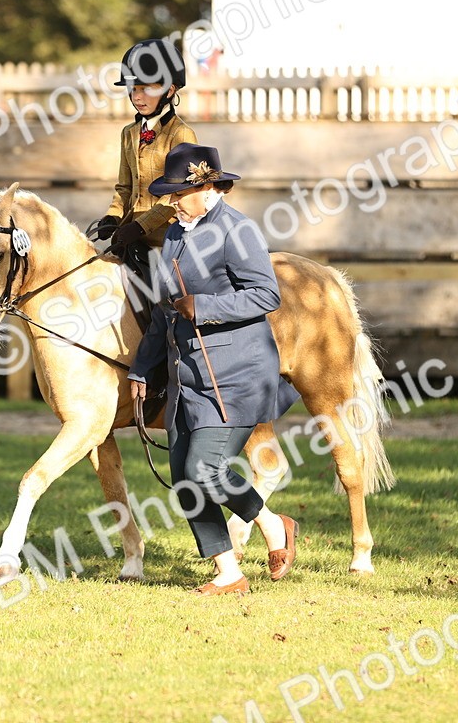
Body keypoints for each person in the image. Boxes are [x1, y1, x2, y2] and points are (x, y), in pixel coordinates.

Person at [127, 143, 300, 597]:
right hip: (187, 377)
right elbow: (165, 310)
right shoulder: (175, 234)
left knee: (205, 468)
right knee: (186, 478)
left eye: (180, 193)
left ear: (208, 189)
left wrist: (203, 307)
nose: (173, 202)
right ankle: (228, 572)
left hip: (237, 374)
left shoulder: (238, 230)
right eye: (170, 194)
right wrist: (141, 369)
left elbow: (266, 295)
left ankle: (274, 525)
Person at [90, 39, 197, 325]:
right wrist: (113, 217)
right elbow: (125, 188)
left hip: (168, 240)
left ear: (170, 90)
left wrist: (140, 226)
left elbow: (178, 196)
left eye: (147, 88)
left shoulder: (181, 135)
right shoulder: (129, 133)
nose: (138, 97)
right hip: (131, 239)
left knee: (163, 308)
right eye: (133, 89)